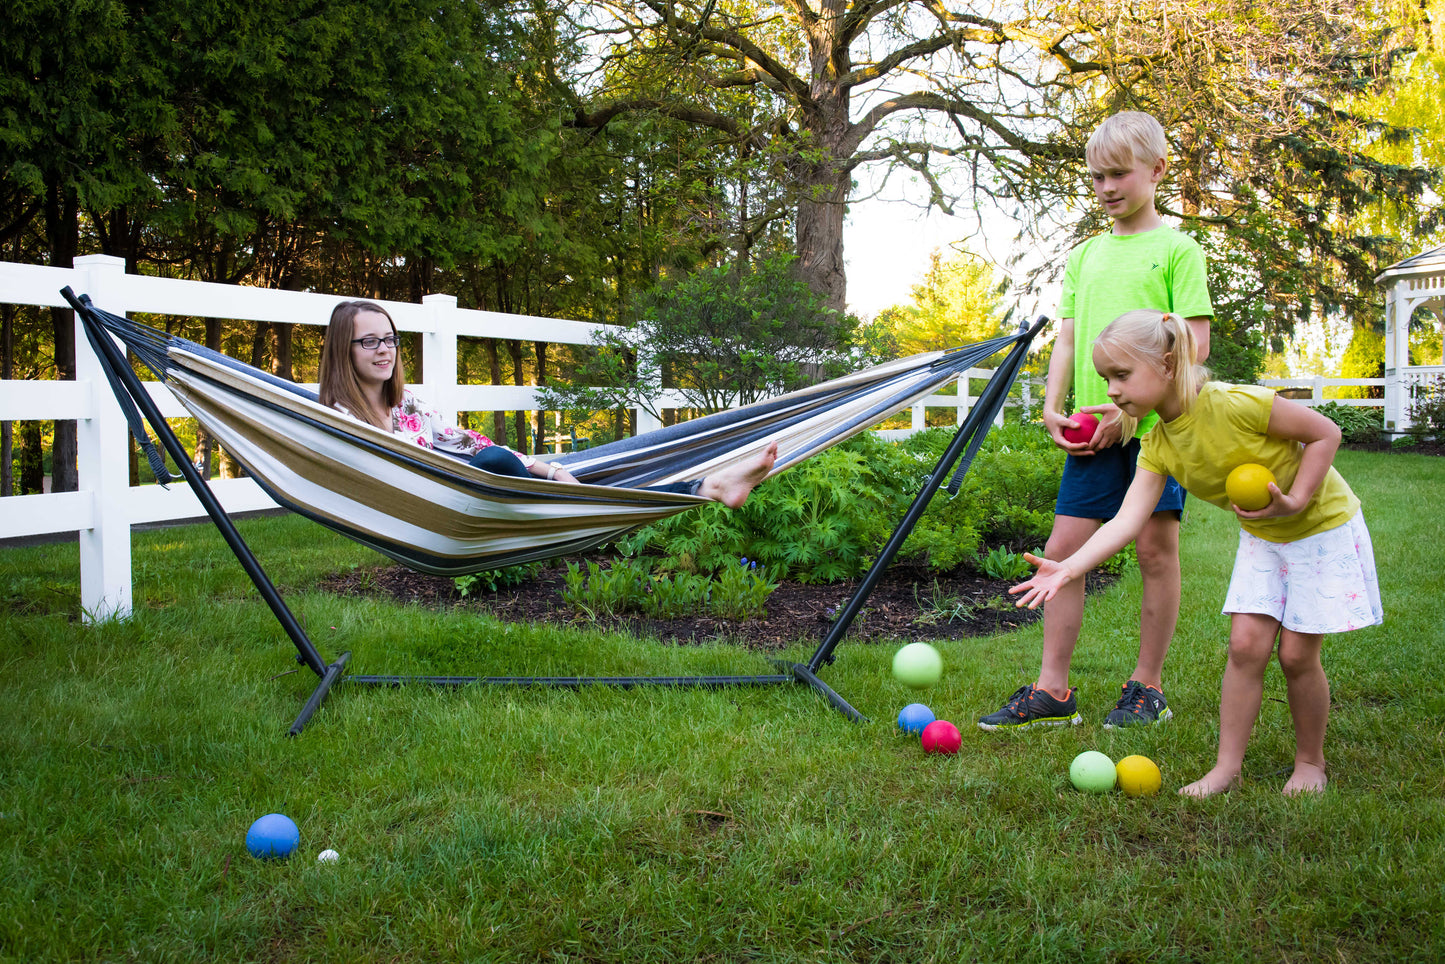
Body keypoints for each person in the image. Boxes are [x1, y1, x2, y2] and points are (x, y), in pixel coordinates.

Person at [1011, 309, 1381, 795]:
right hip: (1265, 538)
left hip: (1321, 527)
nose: (1112, 391)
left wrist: (1296, 499)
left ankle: (1311, 762)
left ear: (1167, 364)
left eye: (1122, 375)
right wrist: (1068, 567)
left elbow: (1325, 432)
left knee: (1295, 655)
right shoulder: (1158, 444)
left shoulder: (1234, 403)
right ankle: (1227, 768)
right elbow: (1126, 520)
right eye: (1106, 378)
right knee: (1246, 647)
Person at [979, 110, 1214, 732]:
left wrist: (1130, 412)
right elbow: (1068, 338)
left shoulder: (1178, 250)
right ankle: (1053, 691)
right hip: (1092, 431)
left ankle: (1147, 687)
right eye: (1096, 177)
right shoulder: (1085, 256)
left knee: (1155, 549)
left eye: (1119, 174)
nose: (1107, 187)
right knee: (1062, 550)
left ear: (1157, 170)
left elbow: (1194, 343)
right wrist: (1054, 405)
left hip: (1156, 430)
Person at [317, 300, 776, 507]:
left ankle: (707, 487)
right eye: (370, 341)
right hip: (441, 506)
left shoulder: (409, 405)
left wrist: (551, 469)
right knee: (515, 470)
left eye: (391, 339)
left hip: (485, 493)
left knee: (520, 465)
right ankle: (709, 488)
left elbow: (470, 442)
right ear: (344, 350)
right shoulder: (339, 420)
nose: (384, 349)